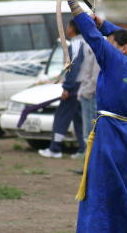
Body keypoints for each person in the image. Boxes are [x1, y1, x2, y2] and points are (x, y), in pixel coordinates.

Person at [59, 0, 127, 233]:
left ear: (121, 48)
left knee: (101, 186)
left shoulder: (115, 58)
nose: (107, 46)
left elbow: (90, 34)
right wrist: (105, 24)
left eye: (112, 43)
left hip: (110, 133)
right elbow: (120, 36)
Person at [38, 20, 87, 159]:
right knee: (79, 118)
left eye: (68, 26)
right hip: (81, 86)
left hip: (75, 86)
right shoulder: (84, 43)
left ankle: (55, 149)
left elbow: (73, 67)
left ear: (73, 28)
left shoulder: (76, 44)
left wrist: (67, 87)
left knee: (61, 116)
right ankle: (83, 149)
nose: (66, 28)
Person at [77, 33, 100, 159]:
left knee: (90, 131)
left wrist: (86, 91)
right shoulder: (89, 48)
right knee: (87, 130)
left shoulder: (96, 50)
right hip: (87, 92)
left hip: (90, 95)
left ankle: (90, 160)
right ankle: (88, 159)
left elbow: (95, 78)